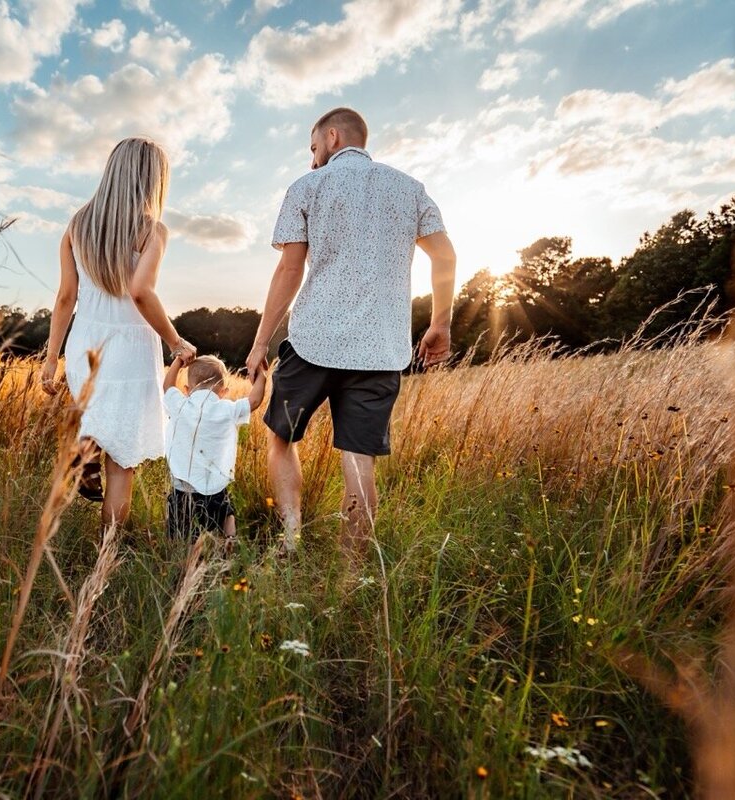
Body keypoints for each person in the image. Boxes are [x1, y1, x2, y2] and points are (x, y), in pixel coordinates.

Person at [245, 107, 457, 559]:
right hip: (381, 350)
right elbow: (445, 256)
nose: (312, 157)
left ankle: (290, 539)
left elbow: (289, 268)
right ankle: (351, 573)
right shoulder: (409, 188)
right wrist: (440, 322)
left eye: (314, 146)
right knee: (359, 463)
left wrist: (261, 342)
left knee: (281, 438)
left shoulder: (307, 187)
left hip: (313, 342)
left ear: (333, 136)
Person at [40, 137, 197, 530]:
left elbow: (65, 298)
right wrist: (176, 341)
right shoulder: (152, 230)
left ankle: (87, 443)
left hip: (85, 346)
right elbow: (141, 292)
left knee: (98, 422)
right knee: (121, 466)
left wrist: (50, 359)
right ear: (152, 179)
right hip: (128, 350)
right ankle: (108, 553)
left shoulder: (77, 225)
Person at [163, 355, 267, 541]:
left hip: (183, 487)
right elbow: (254, 401)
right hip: (215, 486)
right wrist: (261, 377)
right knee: (226, 510)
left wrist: (178, 362)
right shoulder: (227, 409)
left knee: (182, 524)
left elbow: (168, 388)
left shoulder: (180, 405)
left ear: (186, 390)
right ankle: (230, 538)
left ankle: (187, 553)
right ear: (223, 391)